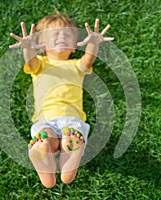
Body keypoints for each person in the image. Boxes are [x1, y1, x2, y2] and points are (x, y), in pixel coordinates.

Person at [9, 11, 113, 188]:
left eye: (67, 35)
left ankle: (67, 164)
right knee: (46, 138)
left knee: (69, 135)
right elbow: (31, 61)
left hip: (72, 120)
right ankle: (46, 160)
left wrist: (94, 43)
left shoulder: (77, 66)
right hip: (45, 120)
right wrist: (28, 47)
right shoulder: (40, 63)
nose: (61, 38)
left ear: (74, 47)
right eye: (54, 34)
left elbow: (88, 59)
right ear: (42, 45)